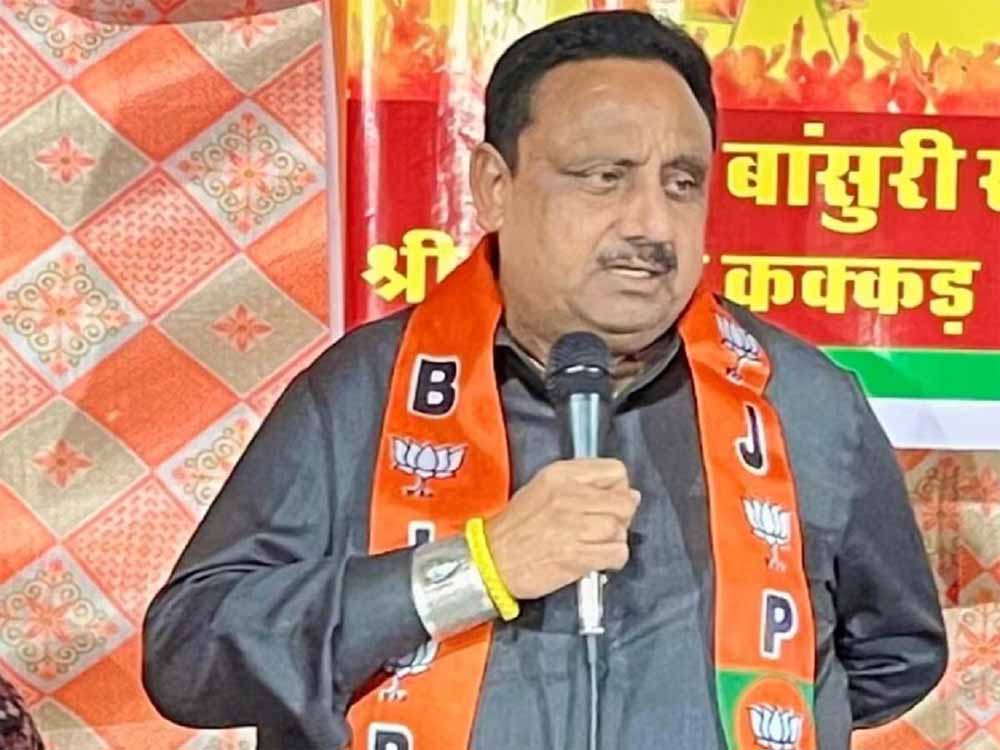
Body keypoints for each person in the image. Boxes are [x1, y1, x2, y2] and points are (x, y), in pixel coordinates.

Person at [142, 11, 946, 750]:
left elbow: (892, 653)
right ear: (495, 186)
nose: (651, 224)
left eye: (681, 182)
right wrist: (474, 571)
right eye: (603, 176)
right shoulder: (361, 391)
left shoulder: (804, 401)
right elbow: (190, 654)